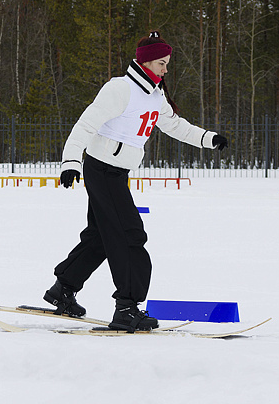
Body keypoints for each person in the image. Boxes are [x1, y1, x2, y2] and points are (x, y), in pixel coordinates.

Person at [44, 31, 228, 333]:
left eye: (167, 64)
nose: (165, 70)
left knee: (101, 237)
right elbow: (86, 124)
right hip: (102, 169)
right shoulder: (120, 89)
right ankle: (127, 308)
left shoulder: (155, 95)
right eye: (161, 63)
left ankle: (63, 289)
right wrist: (70, 162)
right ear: (144, 63)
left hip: (117, 172)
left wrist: (208, 138)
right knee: (130, 236)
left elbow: (175, 125)